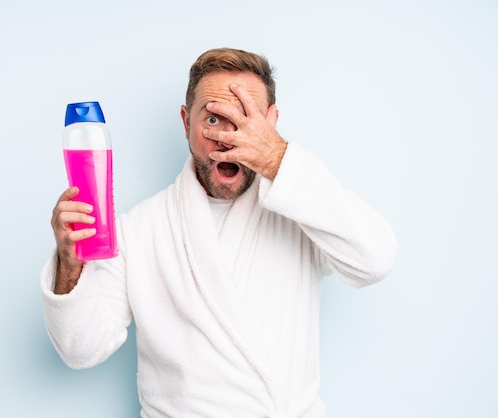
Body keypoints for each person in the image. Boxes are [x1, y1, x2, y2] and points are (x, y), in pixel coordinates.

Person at [41, 47, 397, 417]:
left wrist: (277, 158)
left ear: (271, 124)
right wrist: (70, 264)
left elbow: (375, 260)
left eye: (246, 118)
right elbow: (80, 348)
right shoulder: (139, 229)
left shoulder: (303, 209)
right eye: (213, 119)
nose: (228, 139)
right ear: (185, 123)